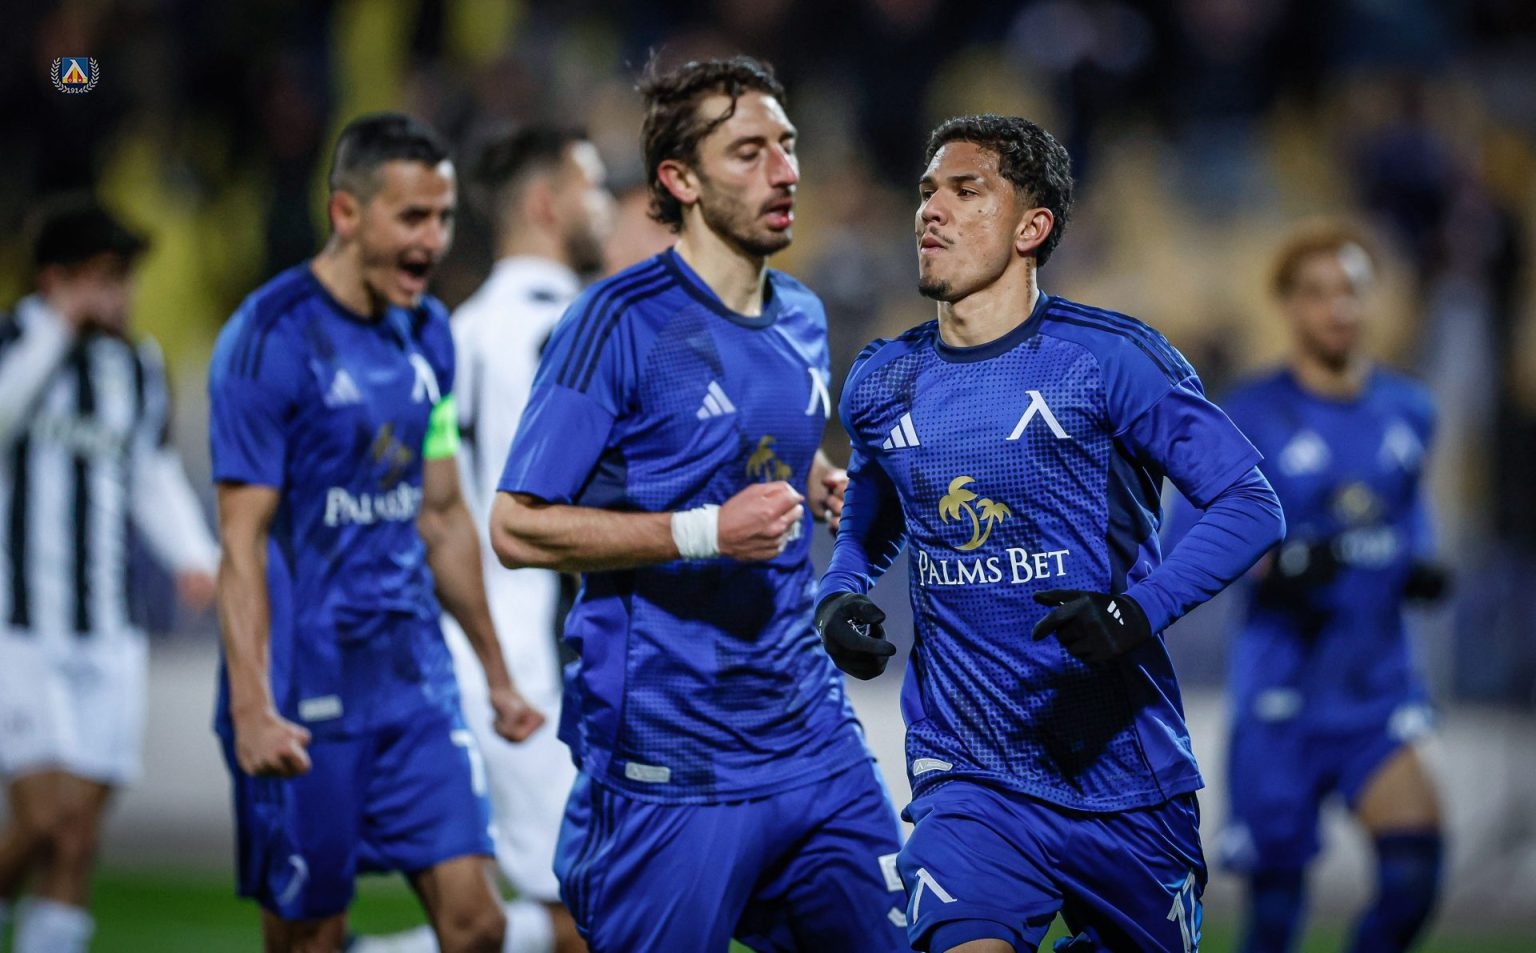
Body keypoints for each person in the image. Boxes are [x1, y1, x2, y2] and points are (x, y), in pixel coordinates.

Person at [816, 114, 1287, 952]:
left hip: (1125, 775)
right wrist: (840, 590)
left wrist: (1134, 612)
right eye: (927, 192)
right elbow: (872, 511)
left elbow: (1251, 504)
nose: (931, 210)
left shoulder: (1109, 360)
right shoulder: (884, 379)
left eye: (966, 191)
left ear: (1032, 228)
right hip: (971, 773)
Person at [488, 55, 908, 953]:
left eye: (787, 145)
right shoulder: (615, 323)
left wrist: (814, 476)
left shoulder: (800, 314)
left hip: (810, 735)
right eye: (749, 153)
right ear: (680, 180)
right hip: (671, 757)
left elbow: (753, 432)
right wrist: (705, 530)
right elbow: (516, 524)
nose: (785, 171)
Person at [207, 112, 543, 953]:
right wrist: (251, 707)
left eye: (445, 217)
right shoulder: (268, 339)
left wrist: (497, 674)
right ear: (346, 213)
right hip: (302, 686)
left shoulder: (428, 333)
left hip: (410, 675)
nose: (433, 240)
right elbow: (241, 542)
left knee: (478, 924)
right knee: (310, 936)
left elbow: (441, 513)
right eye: (412, 217)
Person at [354, 125, 613, 953]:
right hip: (538, 660)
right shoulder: (572, 329)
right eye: (590, 188)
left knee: (583, 908)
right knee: (600, 915)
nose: (606, 208)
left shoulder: (453, 330)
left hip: (466, 646)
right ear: (544, 204)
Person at [1216, 224, 1447, 953]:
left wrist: (1422, 559)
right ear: (1288, 305)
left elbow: (1408, 514)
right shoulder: (1249, 415)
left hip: (1375, 691)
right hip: (1281, 696)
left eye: (1351, 289)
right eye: (1317, 292)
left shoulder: (1410, 409)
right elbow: (1199, 537)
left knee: (1413, 877)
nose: (1337, 307)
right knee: (1274, 918)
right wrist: (1273, 562)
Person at [0, 198, 219, 953]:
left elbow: (149, 471)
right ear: (55, 279)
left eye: (124, 278)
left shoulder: (136, 367)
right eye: (104, 277)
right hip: (22, 627)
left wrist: (194, 555)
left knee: (79, 836)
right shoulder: (14, 344)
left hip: (109, 630)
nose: (121, 295)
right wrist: (54, 327)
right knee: (44, 819)